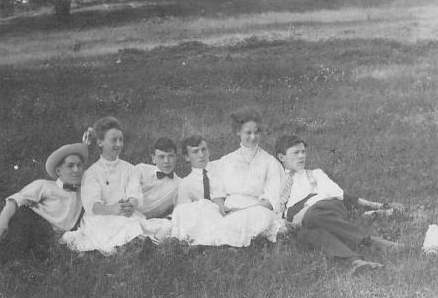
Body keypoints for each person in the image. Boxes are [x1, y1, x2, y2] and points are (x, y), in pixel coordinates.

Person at [274, 134, 405, 275]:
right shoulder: (275, 183)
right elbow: (272, 210)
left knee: (313, 216)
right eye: (296, 153)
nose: (301, 156)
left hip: (325, 206)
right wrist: (282, 224)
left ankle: (372, 242)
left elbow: (335, 192)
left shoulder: (315, 174)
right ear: (281, 157)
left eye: (303, 152)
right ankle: (356, 262)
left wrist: (305, 209)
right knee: (309, 234)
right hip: (300, 221)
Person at [61, 117, 170, 254]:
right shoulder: (92, 173)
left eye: (121, 140)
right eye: (113, 140)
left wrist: (131, 203)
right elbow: (92, 205)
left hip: (125, 213)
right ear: (100, 142)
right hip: (101, 216)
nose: (118, 144)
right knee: (118, 225)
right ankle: (134, 245)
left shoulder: (129, 169)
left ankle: (137, 243)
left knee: (136, 223)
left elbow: (135, 193)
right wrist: (112, 209)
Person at [170, 134, 280, 247]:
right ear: (187, 157)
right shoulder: (186, 184)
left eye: (204, 149)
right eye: (195, 152)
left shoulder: (222, 165)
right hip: (208, 218)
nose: (201, 155)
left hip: (231, 210)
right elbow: (184, 212)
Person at [0, 142, 88, 261]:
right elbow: (14, 201)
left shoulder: (82, 192)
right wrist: (2, 224)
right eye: (70, 166)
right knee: (24, 218)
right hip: (36, 228)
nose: (76, 170)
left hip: (58, 238)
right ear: (58, 171)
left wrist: (85, 144)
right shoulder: (44, 186)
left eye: (79, 165)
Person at [213, 108, 286, 216]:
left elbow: (271, 201)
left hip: (256, 212)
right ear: (238, 132)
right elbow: (217, 194)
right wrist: (221, 207)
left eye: (256, 132)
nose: (253, 137)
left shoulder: (269, 162)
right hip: (227, 211)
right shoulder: (227, 161)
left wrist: (242, 213)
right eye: (248, 133)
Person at [134, 137, 181, 219]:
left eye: (170, 156)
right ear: (153, 159)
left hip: (146, 221)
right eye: (161, 157)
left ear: (176, 157)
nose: (166, 161)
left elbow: (179, 211)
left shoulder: (179, 184)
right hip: (124, 213)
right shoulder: (141, 170)